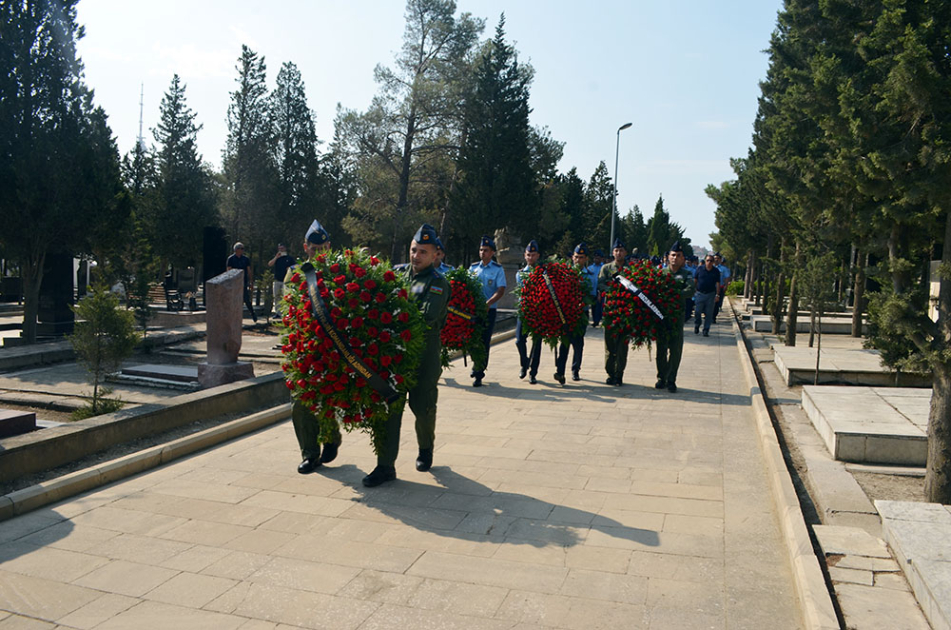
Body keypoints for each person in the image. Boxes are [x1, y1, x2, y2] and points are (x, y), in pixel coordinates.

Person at [363, 224, 450, 487]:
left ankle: (425, 449)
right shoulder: (397, 275)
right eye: (413, 250)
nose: (416, 256)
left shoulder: (438, 284)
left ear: (435, 255)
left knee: (422, 407)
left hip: (424, 356)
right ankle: (385, 465)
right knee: (390, 408)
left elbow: (426, 317)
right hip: (394, 357)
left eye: (423, 252)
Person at [289, 219, 342, 474]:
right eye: (313, 248)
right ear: (305, 247)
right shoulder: (295, 274)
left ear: (329, 247)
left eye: (322, 248)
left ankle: (331, 437)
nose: (317, 253)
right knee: (300, 401)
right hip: (303, 347)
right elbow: (287, 311)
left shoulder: (339, 274)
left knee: (328, 397)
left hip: (330, 346)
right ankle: (309, 453)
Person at [655, 242, 694, 393]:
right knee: (661, 349)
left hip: (677, 317)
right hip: (661, 316)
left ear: (683, 258)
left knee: (675, 349)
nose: (675, 258)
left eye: (678, 256)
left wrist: (673, 295)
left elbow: (690, 290)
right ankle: (661, 377)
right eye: (673, 255)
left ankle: (671, 379)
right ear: (667, 257)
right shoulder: (661, 273)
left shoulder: (686, 274)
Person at [469, 235, 507, 387]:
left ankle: (479, 371)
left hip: (488, 311)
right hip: (473, 311)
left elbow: (501, 289)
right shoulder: (473, 268)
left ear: (492, 253)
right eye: (481, 250)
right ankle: (475, 363)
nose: (482, 253)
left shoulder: (498, 269)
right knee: (472, 339)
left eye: (486, 250)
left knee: (484, 341)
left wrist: (489, 302)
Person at [555, 243, 592, 384]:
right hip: (566, 313)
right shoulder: (565, 273)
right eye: (576, 257)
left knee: (578, 343)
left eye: (581, 257)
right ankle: (560, 371)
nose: (577, 260)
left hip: (581, 313)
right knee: (564, 343)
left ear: (586, 259)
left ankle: (575, 369)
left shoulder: (590, 276)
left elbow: (592, 295)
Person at [598, 239, 630, 386]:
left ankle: (619, 374)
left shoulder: (630, 269)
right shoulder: (606, 268)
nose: (619, 253)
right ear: (613, 253)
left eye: (621, 250)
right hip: (610, 311)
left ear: (625, 253)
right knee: (609, 345)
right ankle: (610, 372)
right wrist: (612, 289)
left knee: (622, 346)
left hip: (625, 312)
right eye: (616, 250)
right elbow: (601, 284)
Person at [515, 240, 543, 384]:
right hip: (524, 311)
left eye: (533, 255)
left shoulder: (543, 273)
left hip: (538, 312)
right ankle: (524, 363)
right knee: (519, 340)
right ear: (524, 256)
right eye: (528, 255)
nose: (530, 257)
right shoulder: (520, 274)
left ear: (537, 256)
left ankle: (533, 372)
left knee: (537, 343)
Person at [226, 242, 256, 323]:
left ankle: (253, 314)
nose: (242, 250)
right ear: (236, 250)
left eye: (243, 249)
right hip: (234, 283)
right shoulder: (231, 259)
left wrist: (251, 282)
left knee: (246, 298)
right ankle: (233, 316)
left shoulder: (245, 259)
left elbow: (249, 271)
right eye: (241, 249)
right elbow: (228, 271)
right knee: (234, 300)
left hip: (243, 282)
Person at [694, 254, 721, 337]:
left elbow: (717, 284)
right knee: (697, 311)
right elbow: (695, 280)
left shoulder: (715, 271)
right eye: (707, 260)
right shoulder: (699, 269)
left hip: (710, 294)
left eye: (711, 261)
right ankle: (697, 324)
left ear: (713, 262)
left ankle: (706, 329)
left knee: (709, 313)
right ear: (705, 261)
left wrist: (717, 295)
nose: (709, 262)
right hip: (700, 293)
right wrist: (693, 290)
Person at [267, 243, 295, 316]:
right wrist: (276, 257)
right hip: (277, 280)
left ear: (285, 249)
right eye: (279, 249)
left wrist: (289, 269)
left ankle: (286, 313)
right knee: (277, 297)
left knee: (286, 298)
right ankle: (278, 313)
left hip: (285, 281)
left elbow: (294, 267)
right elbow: (270, 264)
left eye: (282, 248)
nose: (281, 250)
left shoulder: (289, 258)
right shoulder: (277, 258)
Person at [712, 252, 731, 323]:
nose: (716, 260)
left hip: (719, 288)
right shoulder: (710, 267)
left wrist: (726, 286)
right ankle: (708, 315)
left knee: (717, 303)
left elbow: (726, 278)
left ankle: (713, 317)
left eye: (718, 259)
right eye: (715, 258)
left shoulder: (723, 269)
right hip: (710, 287)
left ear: (720, 260)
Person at [590, 250, 605, 327]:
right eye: (595, 258)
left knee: (599, 306)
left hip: (600, 291)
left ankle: (597, 320)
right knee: (593, 306)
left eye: (598, 258)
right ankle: (594, 320)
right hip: (592, 290)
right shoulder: (590, 268)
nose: (596, 259)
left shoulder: (604, 267)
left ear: (602, 259)